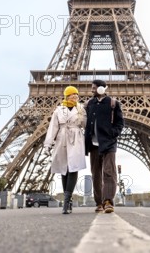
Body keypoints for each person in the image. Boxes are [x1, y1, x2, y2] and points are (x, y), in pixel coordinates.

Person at [44, 86, 87, 214]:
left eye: (76, 95)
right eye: (72, 95)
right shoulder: (58, 110)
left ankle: (66, 201)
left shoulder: (81, 109)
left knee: (73, 168)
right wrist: (48, 144)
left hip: (76, 138)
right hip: (62, 138)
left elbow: (85, 125)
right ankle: (68, 199)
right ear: (66, 96)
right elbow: (53, 128)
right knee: (64, 169)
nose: (75, 97)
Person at [84, 79, 124, 213]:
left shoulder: (113, 103)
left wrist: (112, 134)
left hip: (108, 142)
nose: (92, 90)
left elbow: (120, 123)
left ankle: (108, 201)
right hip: (93, 144)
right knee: (95, 174)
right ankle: (99, 202)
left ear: (101, 89)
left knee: (109, 172)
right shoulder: (89, 104)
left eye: (94, 88)